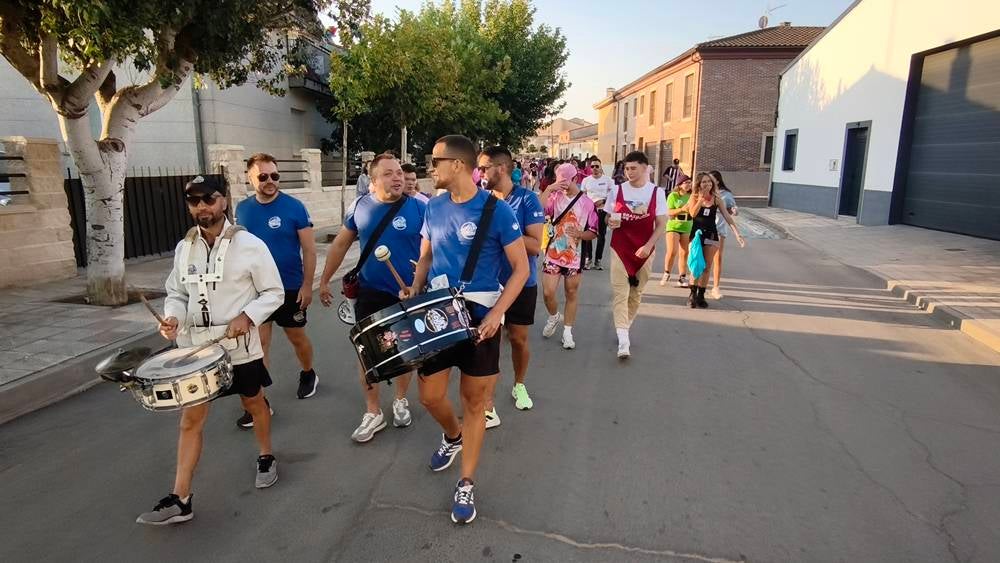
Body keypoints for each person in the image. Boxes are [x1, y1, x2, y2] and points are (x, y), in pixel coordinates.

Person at [137, 176, 284, 525]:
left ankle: (266, 454)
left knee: (254, 402)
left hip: (238, 348)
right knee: (190, 421)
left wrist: (248, 316)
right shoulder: (183, 247)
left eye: (208, 199)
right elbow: (176, 292)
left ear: (224, 201)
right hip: (196, 349)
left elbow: (273, 292)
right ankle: (181, 497)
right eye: (193, 201)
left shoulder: (250, 245)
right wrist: (171, 318)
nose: (201, 206)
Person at [403, 134, 529, 524]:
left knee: (475, 403)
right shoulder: (433, 207)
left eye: (435, 161)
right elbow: (426, 256)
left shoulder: (497, 211)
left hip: (480, 317)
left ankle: (467, 482)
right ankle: (452, 436)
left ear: (457, 165)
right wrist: (414, 286)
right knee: (429, 397)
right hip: (438, 313)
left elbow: (521, 269)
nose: (430, 169)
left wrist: (497, 316)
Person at [319, 153, 423, 442]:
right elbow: (341, 243)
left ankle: (400, 399)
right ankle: (373, 411)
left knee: (407, 349)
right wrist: (324, 279)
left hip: (409, 291)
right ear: (373, 180)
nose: (398, 177)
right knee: (367, 351)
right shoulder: (360, 207)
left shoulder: (420, 207)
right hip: (371, 290)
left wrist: (421, 281)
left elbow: (435, 248)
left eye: (400, 172)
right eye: (389, 173)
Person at [235, 153, 318, 431]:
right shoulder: (243, 209)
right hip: (255, 290)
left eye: (274, 176)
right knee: (259, 343)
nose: (270, 181)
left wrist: (308, 285)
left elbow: (308, 249)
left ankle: (308, 373)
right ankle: (260, 401)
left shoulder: (294, 207)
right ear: (250, 178)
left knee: (297, 337)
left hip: (290, 286)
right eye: (263, 176)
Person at [479, 146, 545, 427]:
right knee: (486, 345)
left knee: (517, 339)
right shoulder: (479, 200)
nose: (479, 174)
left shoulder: (528, 200)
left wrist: (502, 237)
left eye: (484, 168)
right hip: (486, 284)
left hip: (520, 283)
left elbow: (535, 245)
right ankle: (487, 404)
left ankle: (519, 384)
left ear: (501, 168)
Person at [605, 151, 667, 359]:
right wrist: (610, 221)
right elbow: (608, 216)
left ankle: (625, 326)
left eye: (633, 168)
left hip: (644, 250)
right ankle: (623, 341)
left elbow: (661, 224)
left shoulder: (656, 192)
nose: (629, 172)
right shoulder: (616, 190)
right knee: (620, 294)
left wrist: (649, 245)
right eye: (626, 168)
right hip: (620, 248)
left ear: (644, 168)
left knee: (636, 294)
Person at [539, 163, 598, 349]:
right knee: (548, 292)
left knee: (571, 292)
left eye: (566, 181)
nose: (562, 184)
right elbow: (538, 211)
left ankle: (567, 332)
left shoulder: (587, 203)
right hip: (553, 252)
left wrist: (579, 234)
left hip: (575, 256)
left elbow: (594, 231)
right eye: (559, 181)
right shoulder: (554, 197)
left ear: (575, 179)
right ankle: (554, 316)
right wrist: (548, 189)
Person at [684, 172, 744, 308]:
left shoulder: (717, 199)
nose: (707, 184)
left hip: (712, 235)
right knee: (695, 265)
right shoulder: (693, 197)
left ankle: (701, 295)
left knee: (706, 267)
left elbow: (727, 217)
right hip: (697, 236)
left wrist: (737, 234)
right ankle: (692, 294)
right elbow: (692, 213)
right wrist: (700, 199)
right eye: (704, 182)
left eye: (709, 182)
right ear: (699, 184)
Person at [709, 170, 738, 300]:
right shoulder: (703, 193)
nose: (708, 183)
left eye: (711, 180)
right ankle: (697, 285)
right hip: (704, 229)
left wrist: (734, 210)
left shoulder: (726, 195)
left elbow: (732, 209)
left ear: (718, 181)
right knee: (701, 258)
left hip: (719, 229)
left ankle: (715, 287)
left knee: (717, 258)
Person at [580, 158, 613, 270]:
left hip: (602, 211)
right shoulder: (586, 180)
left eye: (597, 166)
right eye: (592, 166)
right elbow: (582, 195)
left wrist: (603, 201)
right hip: (589, 211)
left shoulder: (608, 180)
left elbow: (613, 195)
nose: (594, 168)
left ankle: (598, 260)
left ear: (601, 167)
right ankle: (588, 259)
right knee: (588, 235)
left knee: (601, 236)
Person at [660, 174, 692, 287]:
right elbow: (669, 212)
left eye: (690, 182)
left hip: (687, 225)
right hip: (674, 225)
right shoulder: (673, 196)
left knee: (684, 252)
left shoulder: (692, 196)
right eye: (686, 182)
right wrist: (682, 209)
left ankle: (682, 277)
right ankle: (666, 272)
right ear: (679, 184)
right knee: (672, 251)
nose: (688, 184)